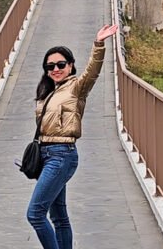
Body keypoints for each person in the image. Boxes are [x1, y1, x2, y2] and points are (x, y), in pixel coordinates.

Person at [26, 24, 118, 249]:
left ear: (70, 66)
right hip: (46, 154)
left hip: (61, 155)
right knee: (58, 217)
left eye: (60, 64)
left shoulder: (77, 87)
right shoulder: (47, 92)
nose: (55, 69)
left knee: (35, 214)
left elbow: (93, 71)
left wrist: (99, 44)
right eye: (50, 66)